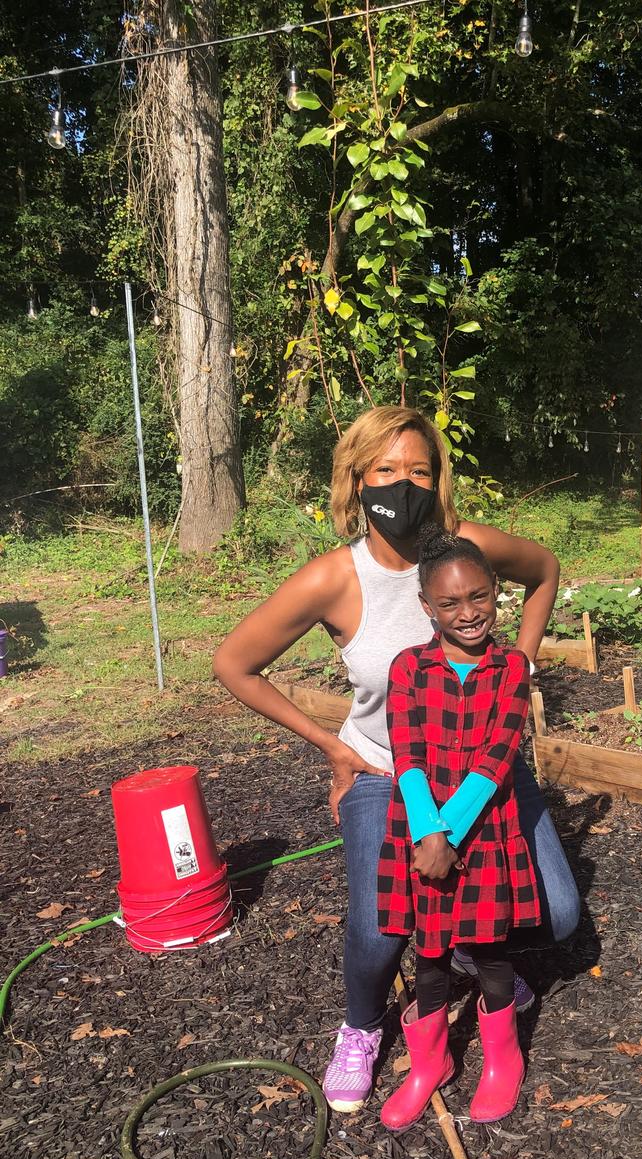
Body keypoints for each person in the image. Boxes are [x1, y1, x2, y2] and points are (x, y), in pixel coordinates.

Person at [213, 405, 580, 1113]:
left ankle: (473, 946)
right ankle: (361, 1024)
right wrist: (332, 744)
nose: (403, 483)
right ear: (357, 479)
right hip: (390, 766)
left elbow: (544, 569)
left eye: (419, 469)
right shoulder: (334, 579)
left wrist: (521, 666)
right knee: (381, 930)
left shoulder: (465, 549)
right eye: (386, 469)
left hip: (489, 766)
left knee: (559, 915)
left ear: (438, 480)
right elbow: (235, 663)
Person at [378, 527, 540, 1130]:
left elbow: (497, 757)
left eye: (478, 597)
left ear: (495, 592)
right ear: (428, 608)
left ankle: (503, 1058)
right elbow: (407, 754)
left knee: (492, 956)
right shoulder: (408, 669)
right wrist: (429, 835)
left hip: (483, 833)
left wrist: (450, 833)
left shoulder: (511, 667)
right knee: (430, 955)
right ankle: (431, 1065)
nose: (468, 613)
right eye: (450, 603)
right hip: (422, 838)